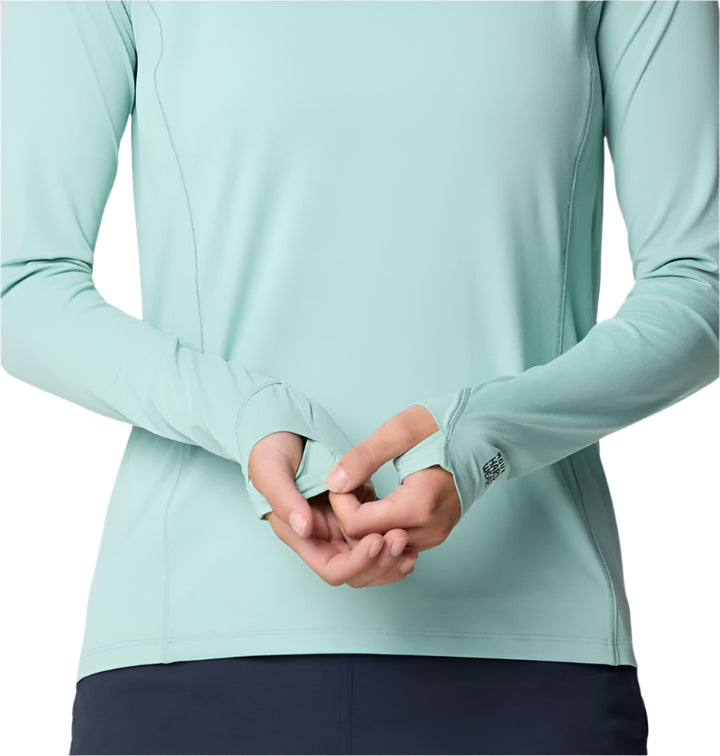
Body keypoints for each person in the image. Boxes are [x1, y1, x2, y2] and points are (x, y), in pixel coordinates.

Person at [2, 0, 717, 753]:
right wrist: (241, 414)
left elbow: (699, 280)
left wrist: (484, 439)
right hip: (190, 646)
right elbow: (24, 284)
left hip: (535, 647)